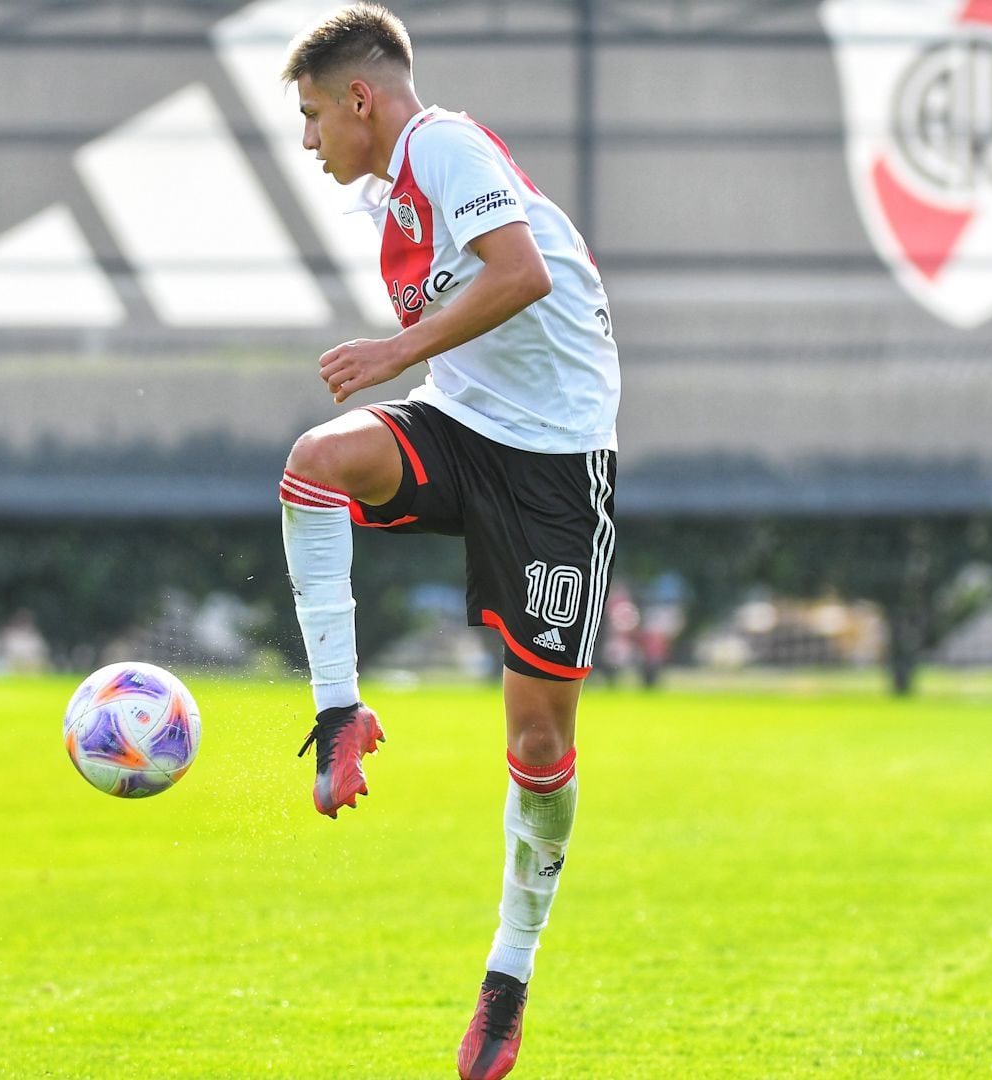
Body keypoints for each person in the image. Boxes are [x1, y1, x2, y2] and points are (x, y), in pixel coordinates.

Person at [276, 7, 619, 1077]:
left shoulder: (446, 144)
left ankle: (509, 973)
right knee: (314, 464)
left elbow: (524, 276)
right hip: (462, 428)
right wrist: (413, 366)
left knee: (540, 749)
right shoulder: (392, 193)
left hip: (557, 466)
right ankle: (340, 713)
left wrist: (393, 353)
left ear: (361, 99)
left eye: (313, 114)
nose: (308, 139)